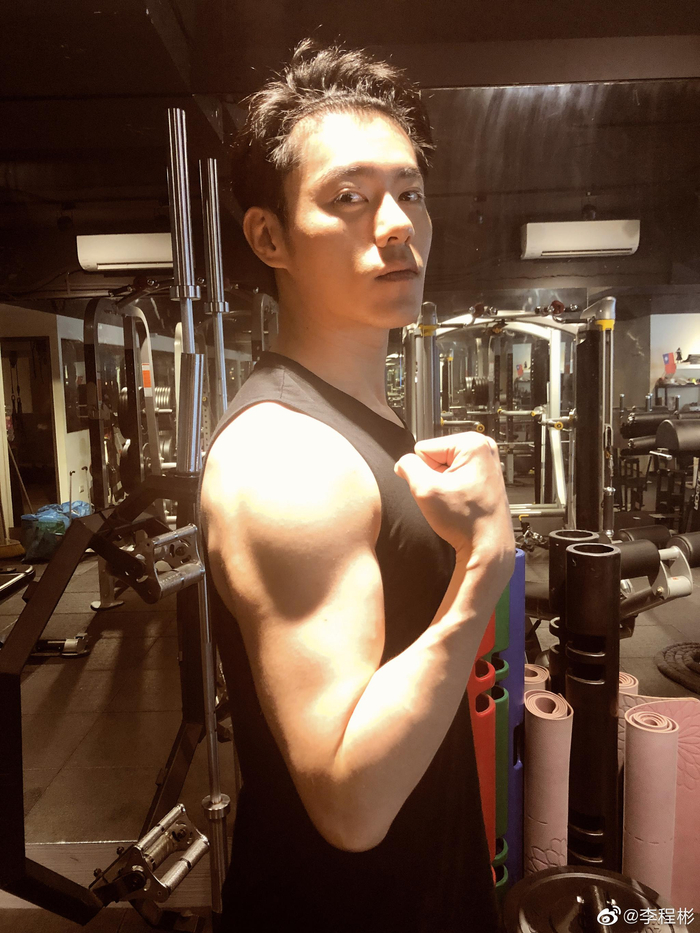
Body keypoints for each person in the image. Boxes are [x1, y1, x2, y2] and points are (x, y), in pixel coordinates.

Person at [199, 38, 514, 933]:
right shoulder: (288, 457)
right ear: (269, 236)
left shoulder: (361, 413)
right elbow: (350, 801)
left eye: (410, 192)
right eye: (349, 197)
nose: (397, 223)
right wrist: (484, 568)